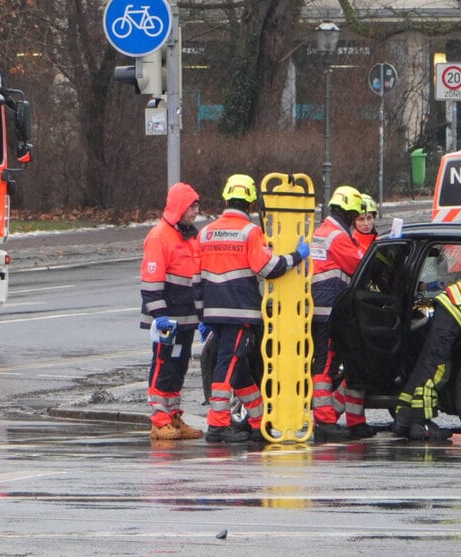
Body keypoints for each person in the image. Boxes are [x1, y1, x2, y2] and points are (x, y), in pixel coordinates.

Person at [198, 174, 310, 443]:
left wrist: (202, 312)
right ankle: (218, 425)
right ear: (250, 204)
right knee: (228, 366)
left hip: (214, 311)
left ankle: (260, 421)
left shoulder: (206, 232)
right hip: (240, 312)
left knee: (240, 371)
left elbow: (195, 275)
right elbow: (267, 268)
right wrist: (296, 256)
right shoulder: (250, 232)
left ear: (226, 198)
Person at [139, 182, 205, 441]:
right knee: (163, 365)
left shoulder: (189, 235)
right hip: (167, 319)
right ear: (179, 207)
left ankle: (173, 416)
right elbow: (151, 283)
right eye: (192, 207)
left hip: (185, 319)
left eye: (197, 206)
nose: (195, 212)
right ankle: (159, 419)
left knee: (179, 367)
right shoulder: (160, 236)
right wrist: (160, 317)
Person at [310, 185, 372, 442]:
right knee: (325, 366)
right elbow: (359, 266)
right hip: (329, 311)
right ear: (348, 213)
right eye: (355, 214)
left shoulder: (323, 232)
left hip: (325, 310)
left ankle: (333, 416)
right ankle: (324, 421)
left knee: (330, 364)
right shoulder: (336, 236)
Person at [393, 276, 461, 442]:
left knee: (425, 364)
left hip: (448, 304)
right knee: (437, 367)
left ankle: (403, 420)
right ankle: (421, 425)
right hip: (453, 309)